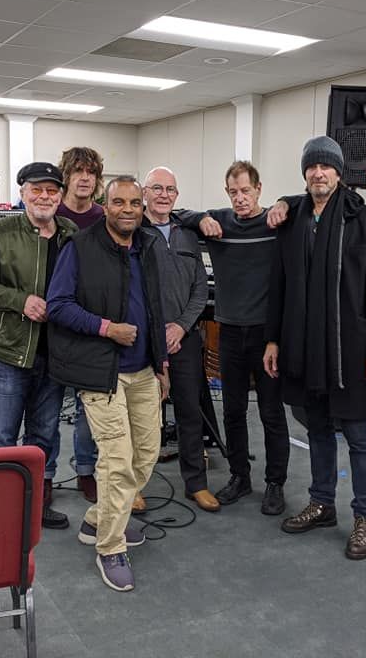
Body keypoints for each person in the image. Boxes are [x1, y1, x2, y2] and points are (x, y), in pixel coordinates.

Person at [263, 135, 366, 560]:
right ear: (305, 173)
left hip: (350, 351)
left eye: (326, 167)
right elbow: (278, 286)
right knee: (316, 429)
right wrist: (273, 339)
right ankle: (321, 503)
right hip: (304, 346)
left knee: (359, 438)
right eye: (312, 167)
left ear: (339, 172)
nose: (319, 173)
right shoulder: (293, 217)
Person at [47, 176, 170, 592]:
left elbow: (155, 307)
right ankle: (110, 547)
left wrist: (162, 363)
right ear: (105, 203)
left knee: (146, 453)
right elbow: (58, 305)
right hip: (101, 371)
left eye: (136, 202)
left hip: (144, 372)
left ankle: (99, 517)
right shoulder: (78, 248)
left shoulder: (147, 247)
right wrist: (106, 329)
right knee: (116, 459)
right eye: (119, 202)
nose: (128, 209)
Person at [174, 161, 292, 516]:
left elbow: (307, 200)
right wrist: (200, 218)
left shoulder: (276, 222)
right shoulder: (220, 221)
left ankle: (275, 483)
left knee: (271, 412)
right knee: (234, 411)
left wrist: (285, 202)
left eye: (246, 191)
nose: (240, 199)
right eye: (233, 192)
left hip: (267, 335)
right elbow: (175, 213)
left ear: (258, 189)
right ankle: (241, 476)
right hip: (229, 332)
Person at [0, 161, 77, 531]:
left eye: (51, 191)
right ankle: (1, 502)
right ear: (22, 193)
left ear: (60, 196)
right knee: (3, 433)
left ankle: (37, 502)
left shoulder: (71, 233)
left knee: (45, 432)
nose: (44, 197)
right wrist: (21, 301)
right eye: (37, 190)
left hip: (55, 350)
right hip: (9, 348)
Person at [142, 166, 217, 512]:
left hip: (184, 338)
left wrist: (181, 326)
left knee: (190, 411)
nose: (163, 195)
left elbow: (200, 288)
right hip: (143, 340)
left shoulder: (187, 233)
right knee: (140, 417)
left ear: (176, 195)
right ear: (144, 193)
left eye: (170, 189)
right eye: (156, 188)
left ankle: (196, 484)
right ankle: (132, 487)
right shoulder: (132, 231)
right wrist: (158, 330)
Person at [48, 147, 104, 505]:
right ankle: (46, 477)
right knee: (47, 410)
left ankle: (86, 470)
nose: (84, 178)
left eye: (91, 172)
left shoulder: (104, 216)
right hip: (53, 325)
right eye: (78, 171)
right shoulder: (51, 212)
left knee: (89, 411)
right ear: (65, 176)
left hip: (91, 327)